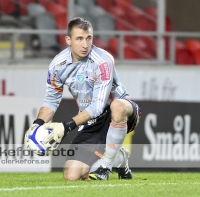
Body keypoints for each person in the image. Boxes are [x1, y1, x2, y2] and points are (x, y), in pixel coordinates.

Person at [24, 17, 141, 181]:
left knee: (118, 106)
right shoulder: (58, 65)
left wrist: (65, 127)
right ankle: (119, 159)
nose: (85, 45)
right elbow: (51, 100)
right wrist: (37, 125)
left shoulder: (103, 61)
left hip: (121, 112)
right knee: (71, 176)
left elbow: (98, 107)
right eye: (79, 39)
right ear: (68, 40)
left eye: (89, 38)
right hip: (92, 121)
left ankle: (106, 166)